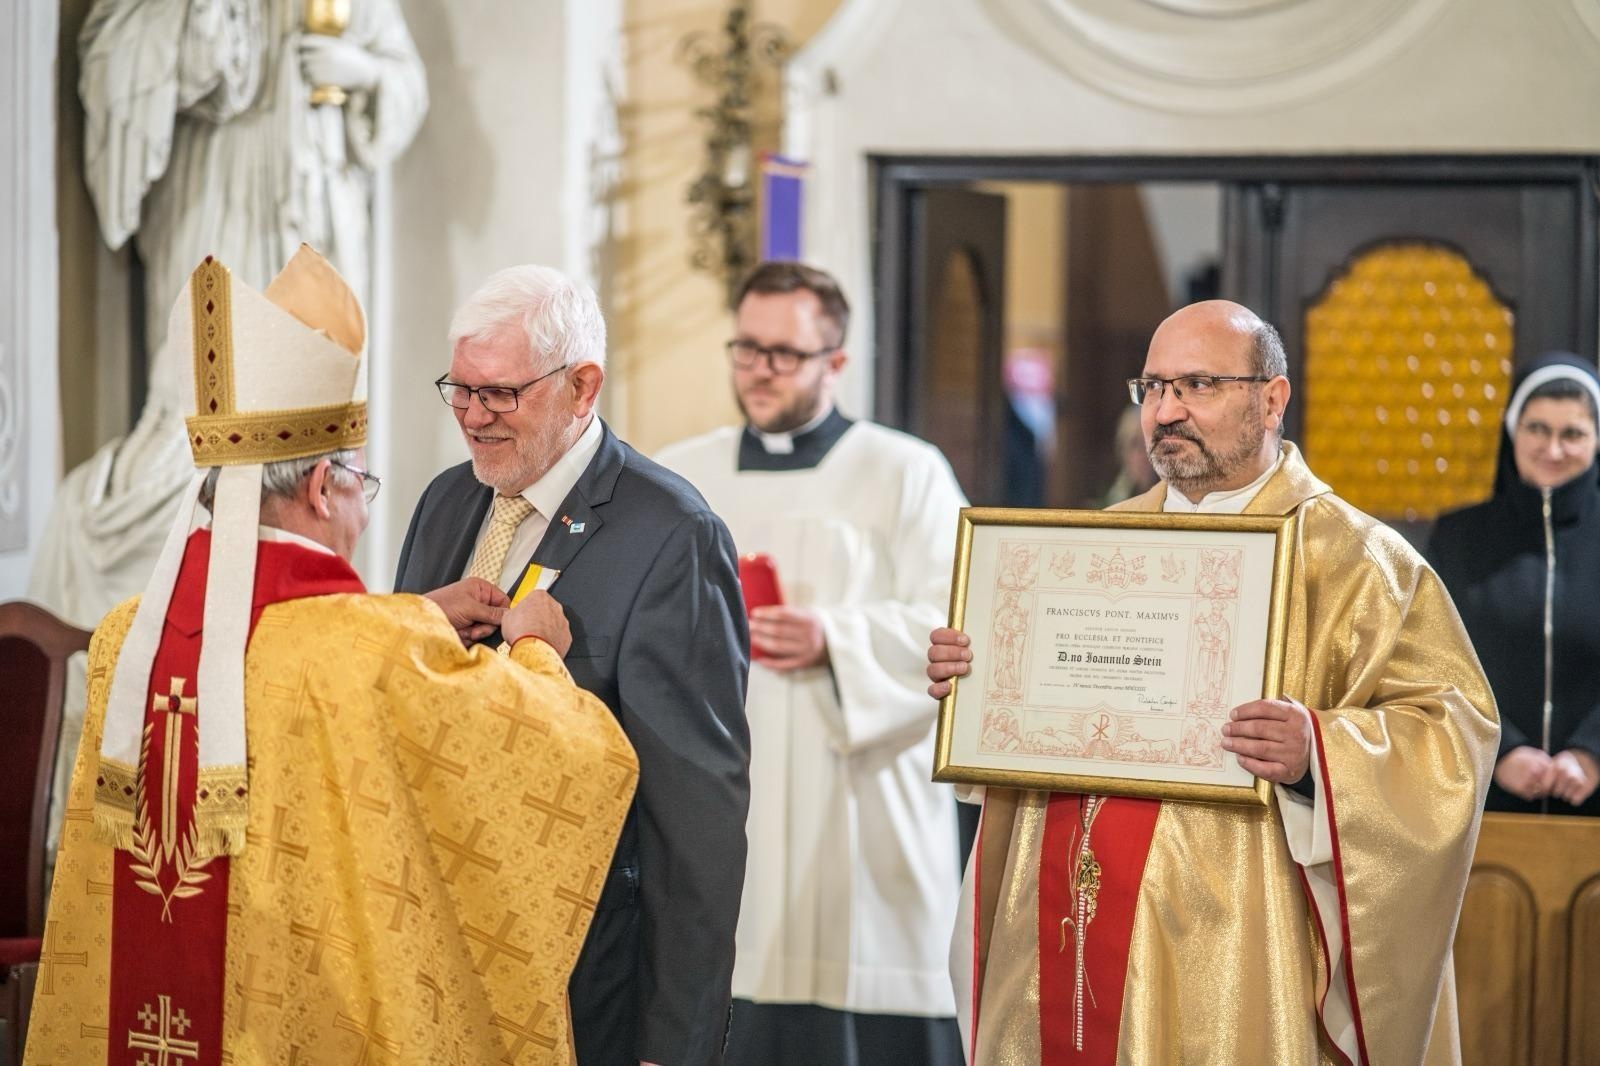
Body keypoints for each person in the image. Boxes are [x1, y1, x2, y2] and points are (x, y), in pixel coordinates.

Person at [25, 247, 637, 1065]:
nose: (359, 512)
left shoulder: (125, 642)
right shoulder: (372, 649)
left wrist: (412, 615)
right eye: (357, 485)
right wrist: (535, 646)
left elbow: (274, 643)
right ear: (321, 488)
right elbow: (562, 762)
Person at [926, 301, 1499, 1064]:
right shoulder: (1091, 543)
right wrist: (978, 681)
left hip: (1237, 938)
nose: (1166, 411)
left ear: (1272, 397)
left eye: (1196, 384)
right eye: (1153, 387)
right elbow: (1032, 712)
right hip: (1069, 910)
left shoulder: (1357, 560)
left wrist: (1318, 754)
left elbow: (1452, 732)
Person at [30, 0, 427, 868]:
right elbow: (116, 58)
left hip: (316, 182)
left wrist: (360, 77)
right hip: (216, 174)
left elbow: (399, 73)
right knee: (199, 409)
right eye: (347, 486)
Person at [394, 266, 750, 1066]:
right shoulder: (448, 500)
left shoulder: (672, 534)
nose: (472, 418)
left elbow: (697, 819)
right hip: (442, 954)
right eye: (459, 389)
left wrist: (676, 1041)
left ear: (582, 385)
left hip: (584, 971)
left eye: (500, 394)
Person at [656, 262, 967, 1066]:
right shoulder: (680, 474)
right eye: (747, 348)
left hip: (861, 812)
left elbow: (960, 628)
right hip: (728, 798)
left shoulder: (906, 471)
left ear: (836, 362)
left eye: (784, 354)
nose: (760, 370)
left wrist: (837, 639)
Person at [1429, 352, 1600, 815]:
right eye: (1537, 429)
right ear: (1513, 431)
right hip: (1484, 795)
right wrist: (1499, 751)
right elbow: (1434, 657)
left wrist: (1592, 752)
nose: (1554, 449)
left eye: (1573, 433)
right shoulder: (1458, 538)